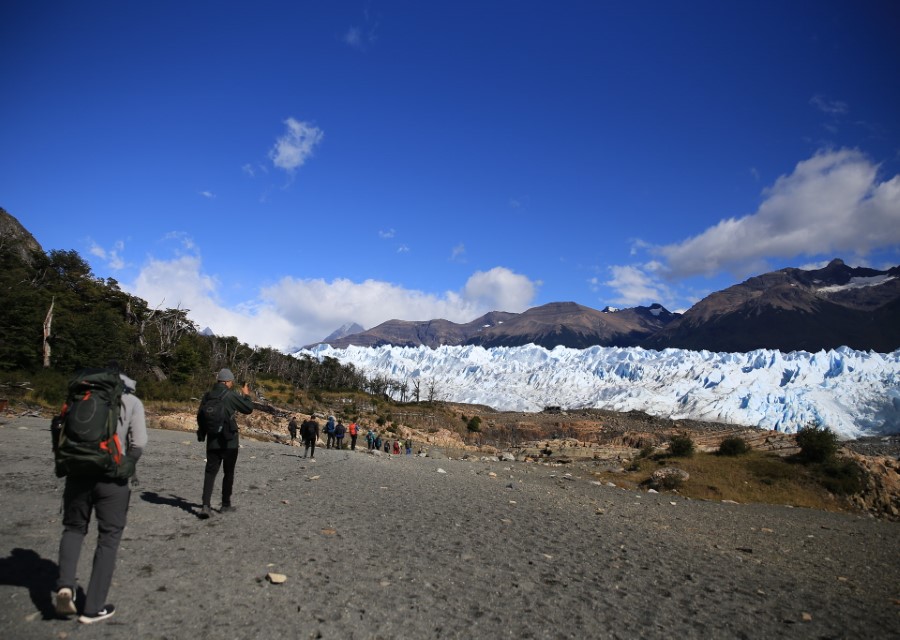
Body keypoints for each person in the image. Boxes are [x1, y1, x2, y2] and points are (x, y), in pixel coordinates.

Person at [55, 364, 148, 624]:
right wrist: (128, 464)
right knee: (108, 538)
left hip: (77, 474)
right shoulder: (131, 401)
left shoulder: (81, 395)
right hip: (112, 478)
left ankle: (65, 586)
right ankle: (92, 607)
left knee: (73, 529)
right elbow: (139, 442)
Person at [197, 368, 253, 518]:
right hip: (230, 441)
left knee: (210, 472)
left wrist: (202, 433)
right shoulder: (230, 395)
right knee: (228, 473)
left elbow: (200, 416)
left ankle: (205, 505)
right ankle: (225, 504)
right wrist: (246, 395)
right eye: (231, 381)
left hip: (212, 440)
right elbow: (248, 409)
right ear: (228, 381)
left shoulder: (208, 395)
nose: (231, 384)